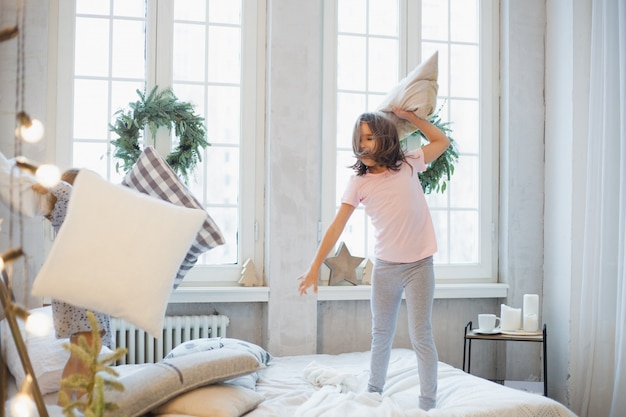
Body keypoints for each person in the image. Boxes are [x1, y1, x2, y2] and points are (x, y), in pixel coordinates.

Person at [297, 106, 450, 411]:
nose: (363, 145)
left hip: (419, 265)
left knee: (422, 334)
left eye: (369, 138)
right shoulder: (359, 182)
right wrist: (314, 267)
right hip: (385, 269)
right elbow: (336, 226)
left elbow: (441, 142)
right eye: (360, 139)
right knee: (381, 333)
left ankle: (428, 403)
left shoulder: (407, 164)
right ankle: (373, 390)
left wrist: (413, 119)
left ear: (384, 139)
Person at [33, 169, 111, 404]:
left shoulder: (83, 219)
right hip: (81, 293)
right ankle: (74, 405)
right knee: (86, 353)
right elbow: (65, 192)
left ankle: (73, 404)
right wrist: (45, 182)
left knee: (85, 353)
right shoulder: (71, 214)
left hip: (84, 292)